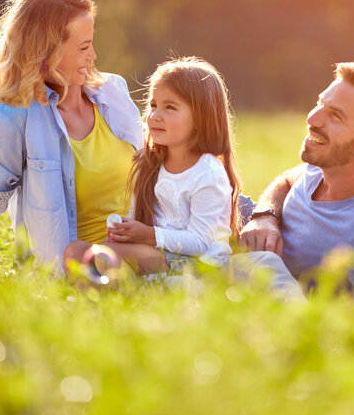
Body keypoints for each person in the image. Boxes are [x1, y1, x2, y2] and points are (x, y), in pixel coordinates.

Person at [0, 0, 144, 272]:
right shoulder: (14, 116)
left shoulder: (113, 92)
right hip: (72, 277)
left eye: (92, 43)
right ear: (48, 52)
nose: (93, 55)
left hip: (139, 258)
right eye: (83, 47)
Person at [237, 62, 354, 297]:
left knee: (266, 266)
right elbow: (289, 181)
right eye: (320, 103)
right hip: (259, 238)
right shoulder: (338, 157)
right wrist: (265, 216)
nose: (312, 118)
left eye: (335, 116)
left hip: (283, 299)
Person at [63, 57, 240, 276]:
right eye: (154, 105)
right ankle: (99, 298)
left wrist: (149, 235)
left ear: (200, 118)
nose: (155, 116)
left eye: (170, 108)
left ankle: (114, 298)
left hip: (198, 264)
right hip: (158, 252)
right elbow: (135, 216)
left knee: (105, 255)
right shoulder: (148, 164)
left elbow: (201, 242)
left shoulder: (208, 173)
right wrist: (124, 230)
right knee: (75, 251)